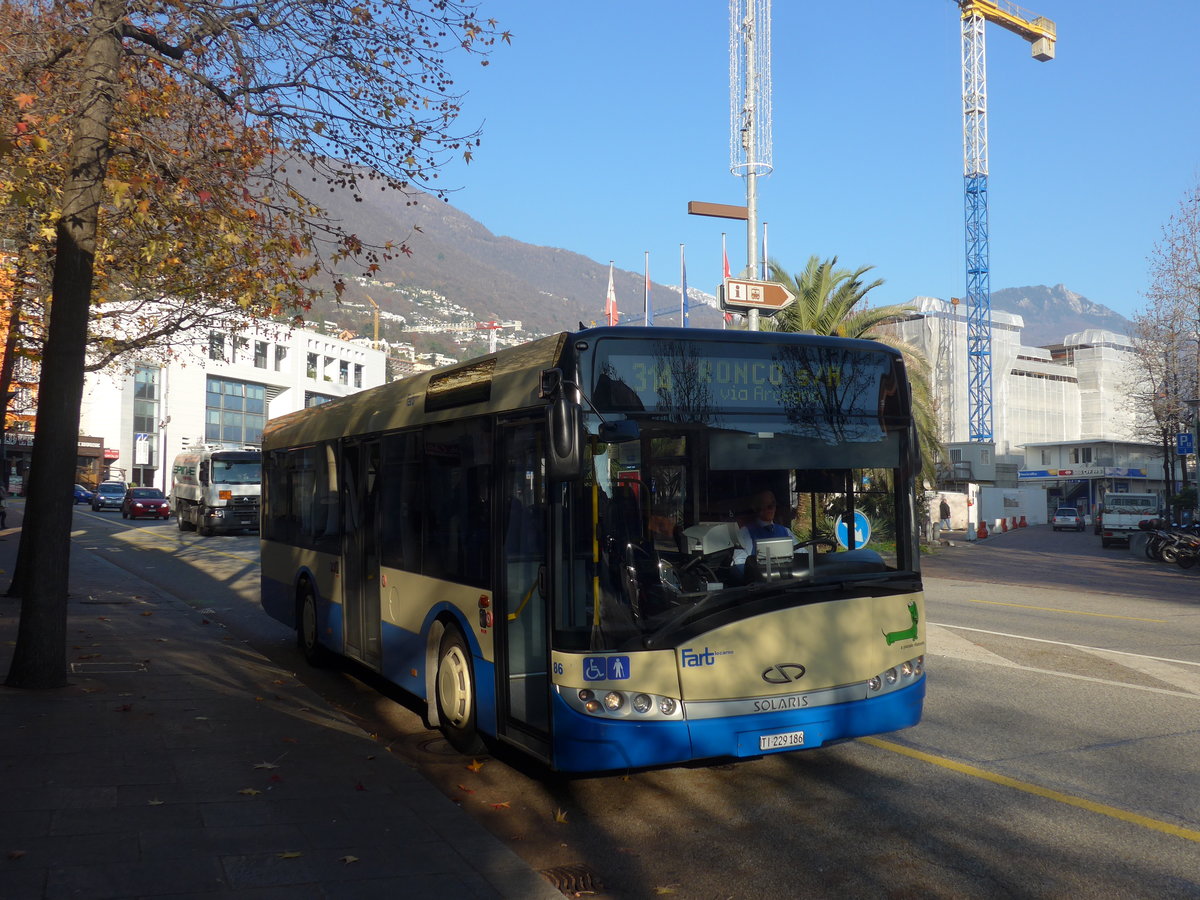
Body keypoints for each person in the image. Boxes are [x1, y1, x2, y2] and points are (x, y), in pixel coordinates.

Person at [731, 490, 795, 581]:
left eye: (773, 504)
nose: (772, 508)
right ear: (756, 508)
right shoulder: (744, 533)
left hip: (787, 584)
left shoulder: (786, 531)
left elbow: (803, 555)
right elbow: (739, 565)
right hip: (760, 590)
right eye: (768, 506)